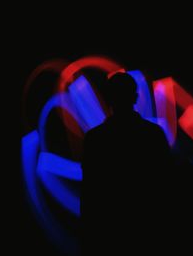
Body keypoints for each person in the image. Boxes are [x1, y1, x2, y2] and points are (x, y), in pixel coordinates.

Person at [81, 72, 171, 255]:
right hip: (148, 228)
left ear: (108, 99)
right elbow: (165, 182)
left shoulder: (95, 139)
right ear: (135, 96)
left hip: (109, 231)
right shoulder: (153, 135)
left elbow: (90, 189)